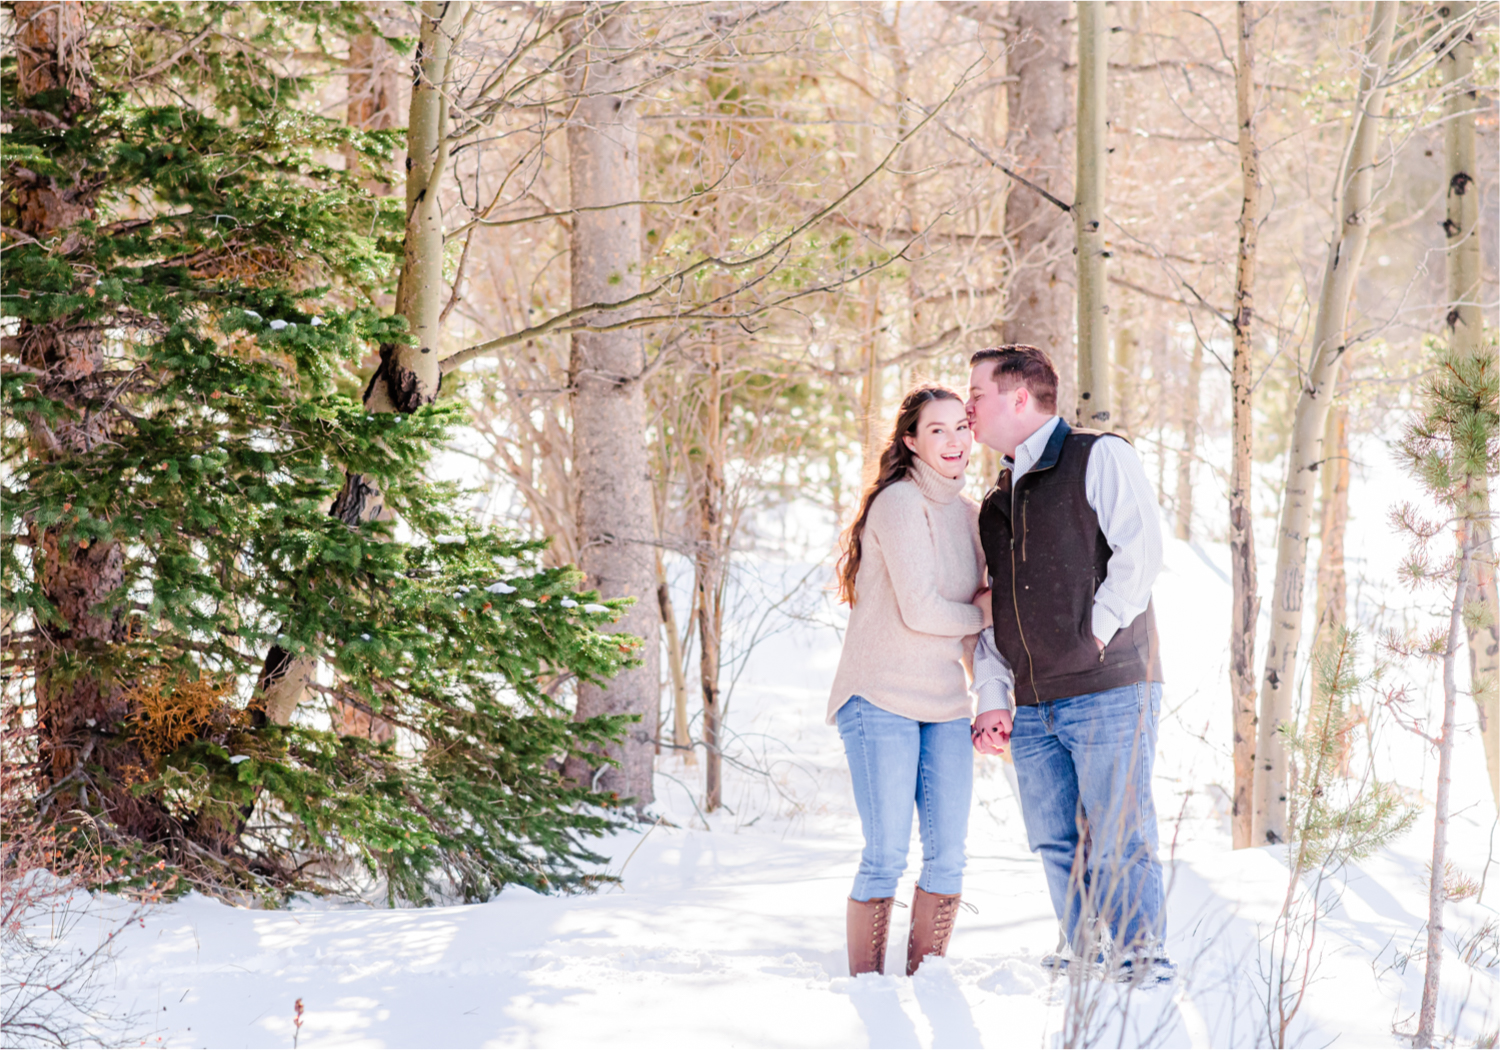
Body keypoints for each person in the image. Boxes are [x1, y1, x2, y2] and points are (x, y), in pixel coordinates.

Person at [964, 345, 1174, 985]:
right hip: (1034, 704)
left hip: (1109, 686)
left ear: (1019, 397)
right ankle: (1084, 948)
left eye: (976, 393)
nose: (967, 407)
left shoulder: (1097, 455)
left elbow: (1141, 553)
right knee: (1055, 839)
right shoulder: (996, 504)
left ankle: (1141, 956)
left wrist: (1097, 636)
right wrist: (995, 693)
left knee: (1118, 833)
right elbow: (999, 612)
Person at [829, 385, 990, 977]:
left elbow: (974, 631)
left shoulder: (972, 516)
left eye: (960, 428)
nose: (953, 441)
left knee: (949, 856)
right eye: (937, 430)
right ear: (912, 442)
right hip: (879, 697)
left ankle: (929, 983)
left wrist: (994, 699)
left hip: (945, 702)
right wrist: (985, 613)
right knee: (886, 854)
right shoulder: (898, 504)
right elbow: (926, 610)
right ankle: (868, 987)